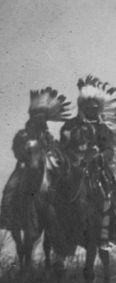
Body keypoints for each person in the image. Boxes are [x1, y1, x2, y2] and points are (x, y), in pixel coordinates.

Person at [60, 76, 116, 248]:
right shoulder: (70, 125)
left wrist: (100, 157)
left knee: (110, 194)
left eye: (95, 107)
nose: (92, 110)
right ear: (82, 107)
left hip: (96, 169)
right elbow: (63, 146)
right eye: (88, 107)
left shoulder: (102, 128)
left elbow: (109, 150)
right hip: (72, 167)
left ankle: (108, 235)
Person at [1, 87, 71, 232]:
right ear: (32, 119)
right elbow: (17, 149)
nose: (40, 121)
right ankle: (6, 217)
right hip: (25, 168)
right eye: (37, 118)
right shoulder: (23, 134)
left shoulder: (47, 136)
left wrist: (54, 153)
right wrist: (25, 154)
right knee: (10, 189)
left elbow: (55, 150)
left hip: (47, 168)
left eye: (42, 119)